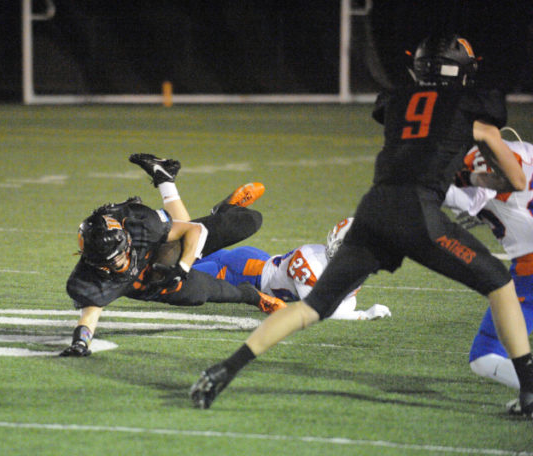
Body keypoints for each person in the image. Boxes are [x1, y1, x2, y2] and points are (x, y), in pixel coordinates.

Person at [190, 34, 533, 419]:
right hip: (419, 213)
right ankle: (530, 391)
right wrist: (477, 178)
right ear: (463, 73)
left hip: (374, 210)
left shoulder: (396, 100)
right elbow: (517, 181)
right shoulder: (474, 107)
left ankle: (223, 370)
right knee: (500, 284)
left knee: (312, 307)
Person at [60, 153, 287, 357]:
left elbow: (190, 229)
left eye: (121, 254)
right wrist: (80, 343)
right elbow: (90, 313)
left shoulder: (141, 225)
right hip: (154, 284)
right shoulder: (87, 277)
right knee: (204, 292)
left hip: (162, 252)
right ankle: (255, 297)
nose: (120, 262)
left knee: (249, 221)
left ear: (126, 238)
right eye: (111, 262)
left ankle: (221, 210)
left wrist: (183, 268)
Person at [444, 136, 533, 407]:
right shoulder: (523, 148)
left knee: (484, 357)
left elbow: (470, 196)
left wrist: (417, 182)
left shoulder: (476, 158)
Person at [193, 218, 392, 321]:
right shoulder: (310, 260)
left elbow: (346, 302)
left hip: (255, 262)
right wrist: (363, 315)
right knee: (179, 277)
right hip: (244, 271)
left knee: (188, 259)